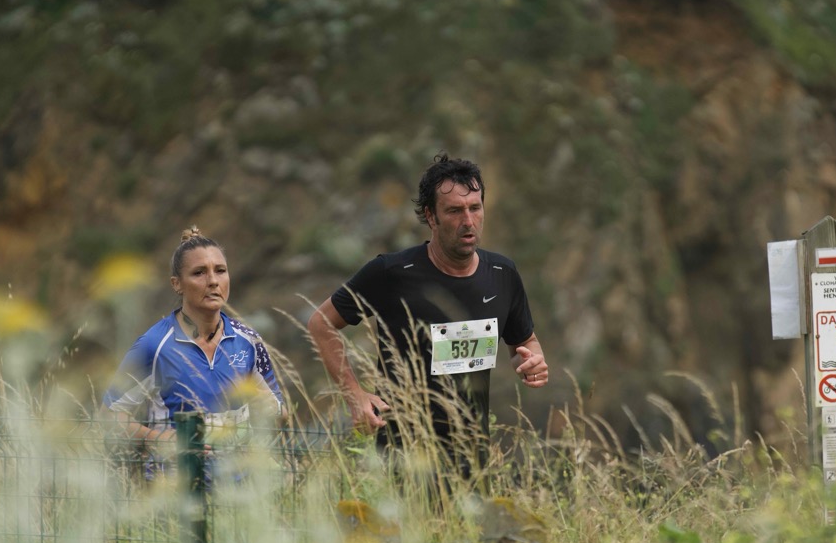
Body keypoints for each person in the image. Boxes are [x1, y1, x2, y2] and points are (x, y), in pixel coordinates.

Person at [307, 153, 547, 475]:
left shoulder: (503, 274)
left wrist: (532, 362)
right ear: (431, 216)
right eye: (455, 211)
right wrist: (355, 395)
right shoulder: (392, 272)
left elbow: (524, 343)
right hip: (402, 456)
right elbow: (321, 323)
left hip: (472, 457)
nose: (468, 220)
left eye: (475, 208)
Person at [103, 227, 282, 466]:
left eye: (220, 271)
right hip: (175, 482)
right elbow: (108, 416)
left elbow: (280, 411)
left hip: (238, 483)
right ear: (177, 284)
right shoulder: (153, 346)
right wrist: (160, 439)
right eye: (199, 273)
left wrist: (270, 409)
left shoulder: (249, 340)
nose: (213, 281)